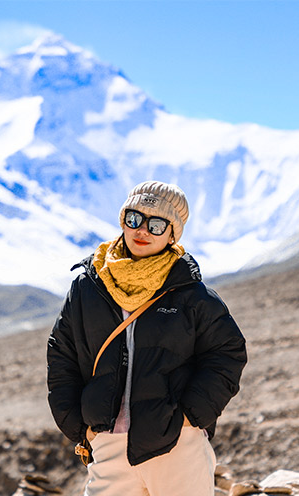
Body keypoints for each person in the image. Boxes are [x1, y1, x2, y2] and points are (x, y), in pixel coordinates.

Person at [46, 181, 247, 496]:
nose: (142, 230)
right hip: (108, 445)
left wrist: (190, 417)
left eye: (156, 225)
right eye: (134, 219)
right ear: (123, 219)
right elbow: (62, 354)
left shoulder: (190, 294)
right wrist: (80, 426)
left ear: (172, 234)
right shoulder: (88, 287)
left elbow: (228, 353)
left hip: (177, 446)